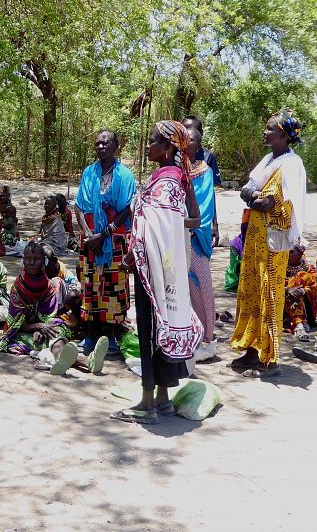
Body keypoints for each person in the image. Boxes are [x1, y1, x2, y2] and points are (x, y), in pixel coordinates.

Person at [111, 120, 203, 425]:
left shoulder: (165, 181)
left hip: (153, 266)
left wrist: (130, 255)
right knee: (164, 321)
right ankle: (164, 398)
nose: (147, 145)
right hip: (169, 265)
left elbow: (155, 227)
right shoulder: (176, 177)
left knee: (150, 328)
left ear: (167, 147)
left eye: (152, 141)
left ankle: (147, 402)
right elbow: (179, 221)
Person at [230, 109, 306, 378]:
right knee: (250, 291)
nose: (265, 132)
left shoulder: (290, 165)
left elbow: (266, 202)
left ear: (283, 135)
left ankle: (271, 360)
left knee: (270, 296)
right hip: (255, 238)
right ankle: (251, 351)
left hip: (272, 242)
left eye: (269, 128)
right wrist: (255, 197)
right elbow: (248, 193)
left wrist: (254, 197)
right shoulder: (267, 162)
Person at [0, 242, 106, 375]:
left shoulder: (47, 285)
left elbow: (50, 315)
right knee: (42, 340)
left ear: (43, 262)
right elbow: (16, 324)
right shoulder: (18, 288)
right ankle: (86, 361)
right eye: (28, 259)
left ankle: (68, 361)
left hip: (44, 328)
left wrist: (44, 328)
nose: (32, 263)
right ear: (23, 261)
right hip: (20, 332)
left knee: (57, 331)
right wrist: (38, 327)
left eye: (36, 259)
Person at [74, 129, 136, 354]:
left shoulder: (125, 175)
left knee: (112, 286)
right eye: (97, 144)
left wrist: (104, 234)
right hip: (90, 241)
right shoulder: (89, 173)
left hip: (114, 241)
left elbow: (128, 208)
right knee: (89, 285)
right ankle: (90, 336)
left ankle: (109, 337)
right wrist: (89, 235)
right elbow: (79, 206)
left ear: (115, 146)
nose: (100, 147)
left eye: (105, 143)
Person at [185, 127, 217, 355]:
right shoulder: (173, 168)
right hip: (174, 236)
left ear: (198, 145)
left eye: (192, 140)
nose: (187, 143)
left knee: (202, 283)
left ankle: (206, 334)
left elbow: (206, 205)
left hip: (195, 236)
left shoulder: (204, 171)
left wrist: (191, 226)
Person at [182, 115, 221, 246]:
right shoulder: (173, 158)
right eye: (184, 130)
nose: (187, 136)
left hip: (200, 220)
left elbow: (209, 195)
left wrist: (214, 223)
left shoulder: (207, 159)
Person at [284, 245, 317, 341]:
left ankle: (299, 325)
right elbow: (272, 285)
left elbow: (313, 287)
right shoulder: (279, 266)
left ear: (300, 254)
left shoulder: (309, 269)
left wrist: (302, 291)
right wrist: (287, 289)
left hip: (302, 302)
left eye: (291, 252)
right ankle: (299, 325)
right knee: (293, 288)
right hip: (281, 299)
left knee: (301, 278)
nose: (288, 255)